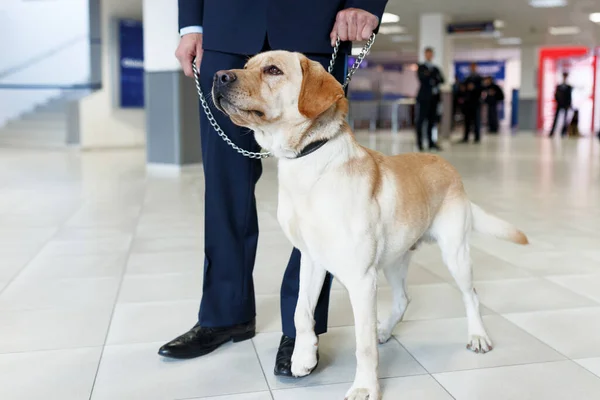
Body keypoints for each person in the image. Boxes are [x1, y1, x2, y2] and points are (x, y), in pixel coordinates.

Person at [159, 0, 388, 378]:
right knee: (223, 187)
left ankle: (300, 330)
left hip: (316, 26)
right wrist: (189, 26)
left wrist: (364, 3)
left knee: (324, 192)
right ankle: (224, 314)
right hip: (224, 26)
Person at [415, 47, 444, 151]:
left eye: (430, 54)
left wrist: (431, 76)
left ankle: (431, 143)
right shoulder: (421, 67)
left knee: (432, 122)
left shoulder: (435, 68)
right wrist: (433, 77)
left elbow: (441, 80)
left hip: (434, 99)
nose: (429, 55)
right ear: (425, 55)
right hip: (423, 99)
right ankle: (419, 143)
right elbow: (423, 78)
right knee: (421, 121)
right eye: (427, 54)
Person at [461, 62, 483, 143]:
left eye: (474, 67)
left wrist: (474, 87)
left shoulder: (479, 78)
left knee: (476, 121)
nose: (472, 68)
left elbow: (482, 89)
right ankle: (466, 137)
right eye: (471, 67)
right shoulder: (467, 78)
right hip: (468, 103)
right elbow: (463, 87)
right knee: (467, 120)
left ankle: (477, 137)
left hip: (476, 102)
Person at [549, 72, 573, 138]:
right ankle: (552, 131)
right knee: (556, 118)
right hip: (559, 104)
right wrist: (558, 101)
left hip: (566, 105)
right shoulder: (559, 86)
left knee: (565, 119)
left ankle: (563, 132)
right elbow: (556, 95)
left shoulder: (569, 87)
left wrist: (569, 104)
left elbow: (570, 97)